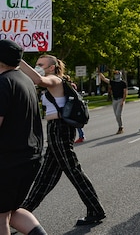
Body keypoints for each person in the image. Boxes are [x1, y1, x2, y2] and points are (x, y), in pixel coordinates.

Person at [18, 55, 106, 226]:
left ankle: (96, 209)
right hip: (55, 129)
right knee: (46, 175)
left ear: (51, 68)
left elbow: (37, 78)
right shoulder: (57, 81)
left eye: (41, 64)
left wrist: (18, 59)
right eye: (36, 64)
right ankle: (23, 212)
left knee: (73, 170)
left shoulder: (53, 79)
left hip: (60, 129)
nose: (37, 66)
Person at [0, 40, 47, 235]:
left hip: (8, 161)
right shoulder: (24, 80)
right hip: (29, 157)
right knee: (12, 210)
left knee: (1, 216)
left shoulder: (3, 82)